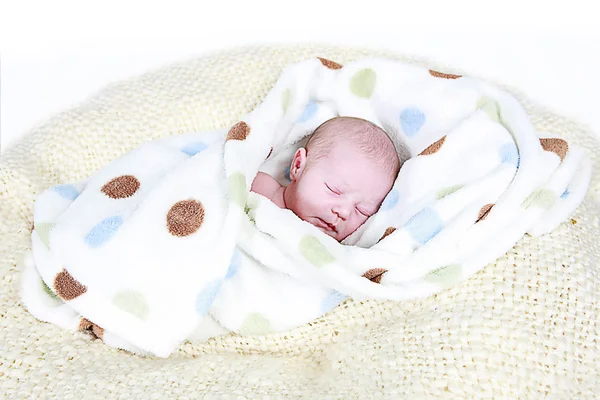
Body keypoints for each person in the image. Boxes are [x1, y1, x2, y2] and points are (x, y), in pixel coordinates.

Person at [250, 116, 400, 241]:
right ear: (297, 166)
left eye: (362, 211)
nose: (344, 212)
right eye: (334, 190)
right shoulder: (257, 186)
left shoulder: (332, 251)